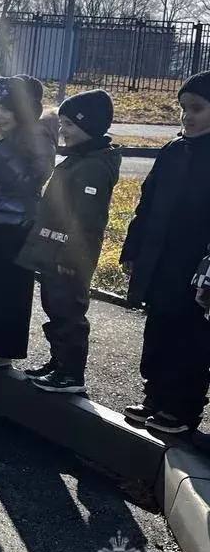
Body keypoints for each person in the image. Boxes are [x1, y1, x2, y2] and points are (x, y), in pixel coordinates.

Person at [119, 72, 210, 434]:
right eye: (183, 108)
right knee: (157, 328)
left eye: (198, 109)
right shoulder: (174, 149)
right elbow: (148, 202)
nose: (187, 116)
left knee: (189, 335)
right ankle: (154, 395)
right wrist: (133, 247)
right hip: (161, 259)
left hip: (196, 265)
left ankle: (182, 407)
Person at [16, 89, 121, 395]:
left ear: (91, 127)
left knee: (68, 311)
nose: (63, 131)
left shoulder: (92, 167)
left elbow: (86, 220)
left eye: (70, 125)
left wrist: (69, 256)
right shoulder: (79, 159)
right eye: (61, 124)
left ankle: (71, 372)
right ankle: (58, 362)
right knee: (55, 306)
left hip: (70, 256)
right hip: (55, 249)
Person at [0, 76, 57, 368]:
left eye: (7, 109)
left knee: (8, 288)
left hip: (18, 223)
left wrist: (0, 147)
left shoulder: (38, 139)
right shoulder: (1, 137)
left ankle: (2, 348)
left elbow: (26, 179)